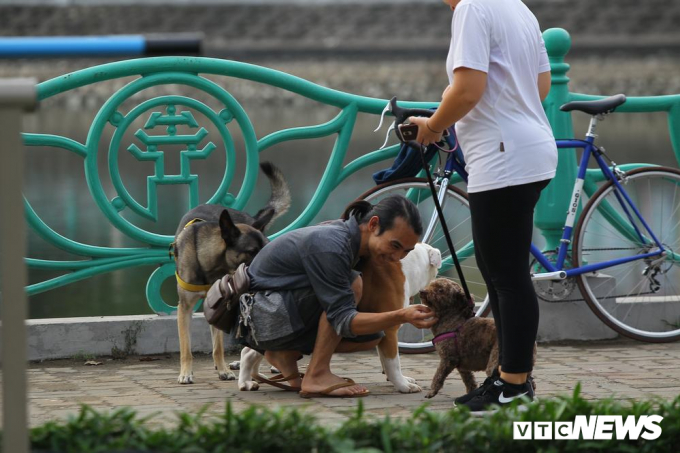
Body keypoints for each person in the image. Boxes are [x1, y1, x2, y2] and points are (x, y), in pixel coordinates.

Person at [408, 0, 557, 412]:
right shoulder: (518, 8)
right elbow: (540, 85)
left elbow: (469, 88)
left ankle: (513, 384)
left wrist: (433, 127)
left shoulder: (472, 8)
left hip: (502, 155)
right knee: (499, 275)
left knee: (507, 278)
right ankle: (505, 377)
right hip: (530, 148)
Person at [239, 195, 437, 397]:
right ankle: (316, 374)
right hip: (260, 318)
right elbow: (342, 319)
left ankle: (284, 354)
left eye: (406, 251)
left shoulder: (352, 240)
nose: (397, 258)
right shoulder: (332, 244)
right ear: (374, 224)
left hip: (269, 315)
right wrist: (401, 315)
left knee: (372, 337)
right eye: (394, 246)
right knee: (353, 285)